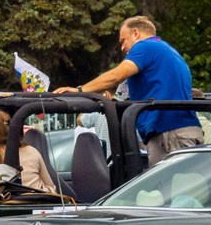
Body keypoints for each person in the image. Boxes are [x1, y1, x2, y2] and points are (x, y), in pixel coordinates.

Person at [73, 16, 200, 165]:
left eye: (123, 41)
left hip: (170, 134)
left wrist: (79, 90)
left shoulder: (145, 47)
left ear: (135, 33)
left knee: (167, 186)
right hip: (176, 132)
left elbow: (116, 76)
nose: (122, 48)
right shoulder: (169, 51)